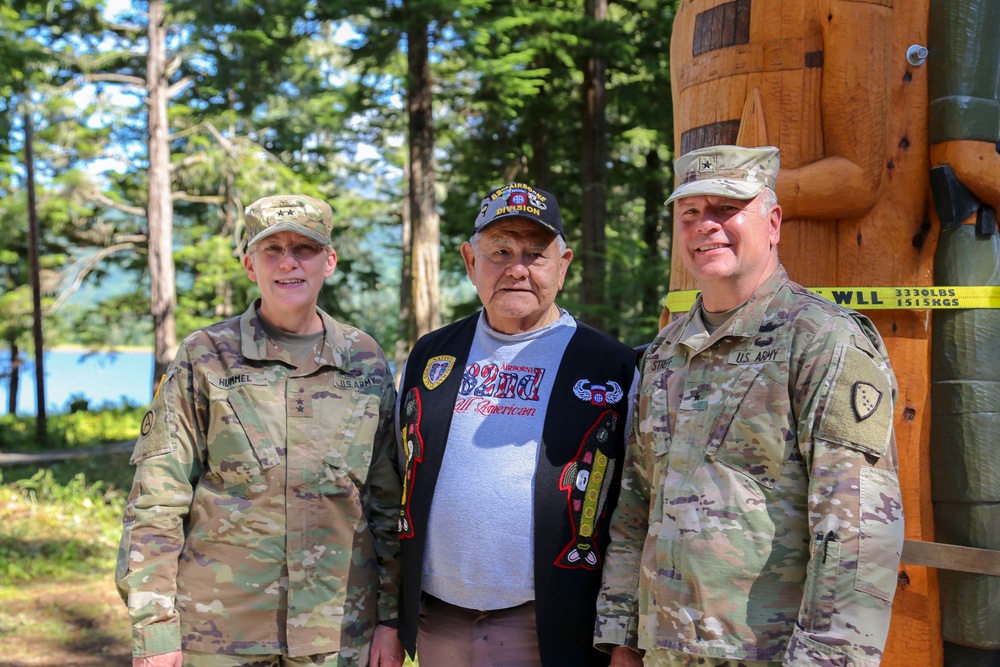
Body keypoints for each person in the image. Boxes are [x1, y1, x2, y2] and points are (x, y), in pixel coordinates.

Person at [595, 146, 905, 667]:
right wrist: (623, 638)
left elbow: (858, 533)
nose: (705, 226)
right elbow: (635, 509)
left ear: (773, 222)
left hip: (770, 653)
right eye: (690, 213)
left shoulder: (822, 341)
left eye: (726, 209)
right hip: (663, 650)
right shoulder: (664, 355)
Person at [116, 194, 404, 667]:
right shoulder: (206, 355)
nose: (288, 263)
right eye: (272, 250)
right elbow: (156, 499)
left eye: (304, 249)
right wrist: (155, 630)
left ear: (328, 261)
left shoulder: (364, 359)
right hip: (219, 632)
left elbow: (386, 501)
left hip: (339, 630)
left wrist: (391, 620)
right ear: (250, 264)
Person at [395, 182, 638, 666]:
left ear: (563, 265)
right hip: (436, 617)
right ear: (470, 261)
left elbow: (635, 505)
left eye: (535, 254)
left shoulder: (609, 365)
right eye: (500, 251)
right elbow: (395, 478)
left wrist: (624, 637)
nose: (517, 269)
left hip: (552, 620)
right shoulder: (431, 354)